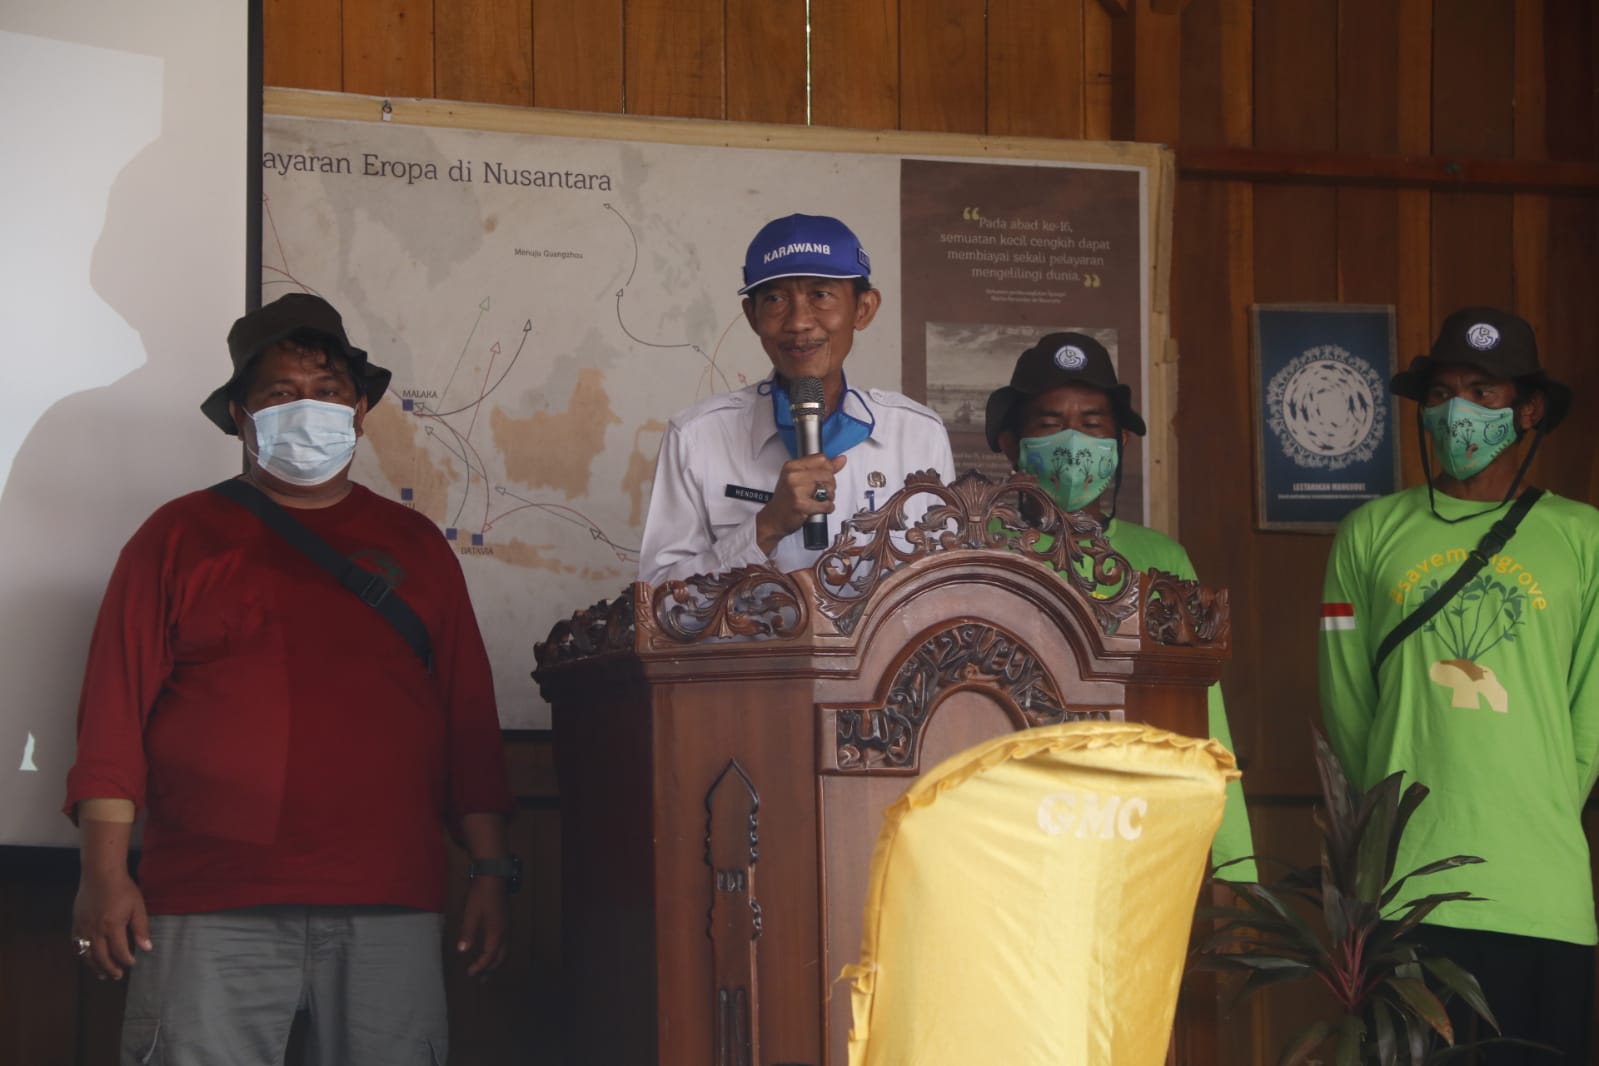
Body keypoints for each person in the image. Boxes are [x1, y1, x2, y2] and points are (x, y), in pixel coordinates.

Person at [64, 292, 516, 1065]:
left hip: (390, 900)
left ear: (362, 411)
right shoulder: (174, 538)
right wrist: (103, 875)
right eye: (280, 394)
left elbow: (466, 720)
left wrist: (491, 867)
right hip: (207, 901)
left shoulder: (416, 547)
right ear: (241, 416)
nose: (307, 409)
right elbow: (113, 716)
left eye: (329, 393)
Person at [1319, 307, 1596, 1063]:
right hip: (1404, 883)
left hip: (1540, 888)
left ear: (1528, 409)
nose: (1458, 412)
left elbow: (1590, 716)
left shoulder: (1584, 538)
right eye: (1441, 393)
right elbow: (1347, 706)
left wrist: (1528, 805)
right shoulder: (1367, 535)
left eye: (1484, 391)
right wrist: (1391, 810)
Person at [985, 332, 1257, 875]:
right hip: (1006, 832)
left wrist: (1233, 863)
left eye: (1091, 424)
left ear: (1119, 444)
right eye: (1048, 423)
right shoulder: (976, 547)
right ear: (1013, 443)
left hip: (1130, 832)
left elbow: (1205, 718)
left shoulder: (1161, 557)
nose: (1072, 441)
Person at [639, 213, 955, 584]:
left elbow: (945, 584)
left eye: (821, 295)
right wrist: (767, 526)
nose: (799, 322)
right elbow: (656, 605)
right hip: (756, 644)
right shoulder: (697, 437)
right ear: (752, 316)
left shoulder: (916, 434)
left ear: (863, 309)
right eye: (775, 299)